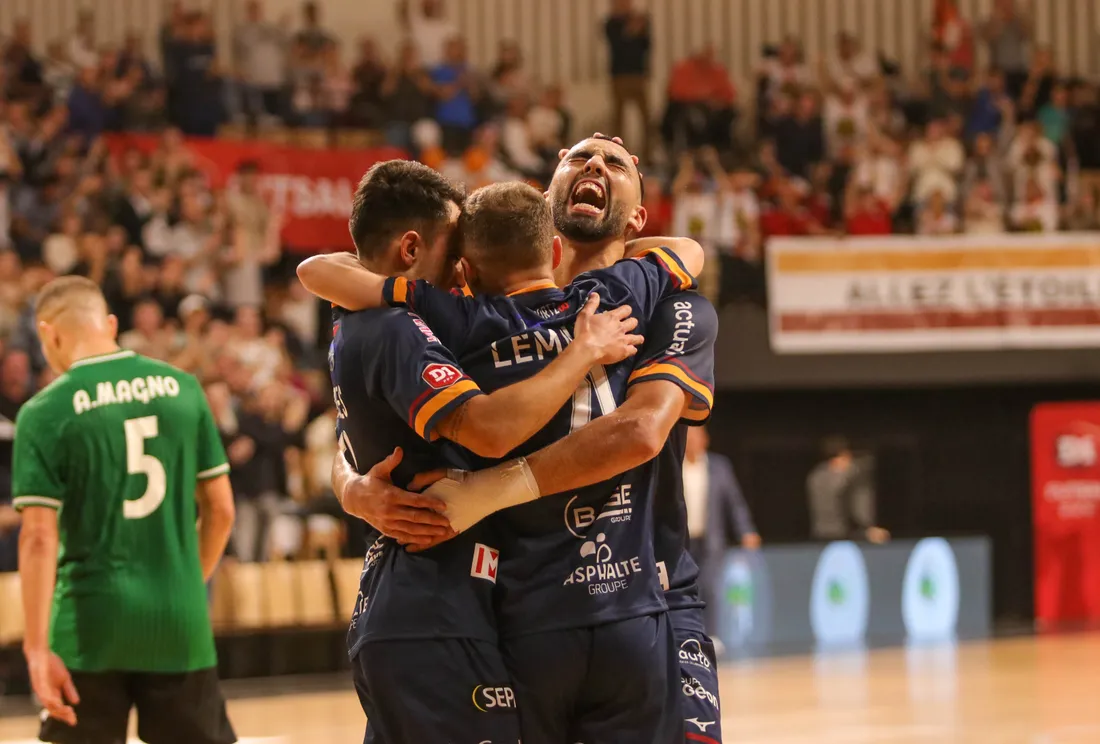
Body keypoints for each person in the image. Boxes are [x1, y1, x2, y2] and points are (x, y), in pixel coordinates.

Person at [306, 135, 724, 744]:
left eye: (615, 163)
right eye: (578, 158)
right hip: (511, 616)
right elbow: (365, 420)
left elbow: (638, 431)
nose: (595, 166)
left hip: (646, 599)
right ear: (546, 206)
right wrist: (352, 489)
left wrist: (484, 492)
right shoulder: (466, 301)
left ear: (638, 215)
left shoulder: (670, 305)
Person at [11, 276, 236, 744]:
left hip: (89, 627)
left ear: (49, 335)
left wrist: (35, 649)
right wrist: (186, 586)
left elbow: (36, 536)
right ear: (110, 324)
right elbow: (221, 511)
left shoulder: (44, 411)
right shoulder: (185, 389)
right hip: (179, 623)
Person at [682, 425, 759, 634]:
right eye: (688, 437)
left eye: (696, 437)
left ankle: (712, 635)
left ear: (705, 440)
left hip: (710, 540)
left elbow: (735, 503)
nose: (692, 441)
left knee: (711, 587)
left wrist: (746, 530)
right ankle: (689, 635)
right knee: (685, 590)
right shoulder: (674, 466)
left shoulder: (719, 466)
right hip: (682, 541)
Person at [806, 435, 889, 543]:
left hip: (823, 534)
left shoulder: (816, 475)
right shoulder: (837, 477)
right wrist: (866, 531)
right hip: (839, 536)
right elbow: (855, 510)